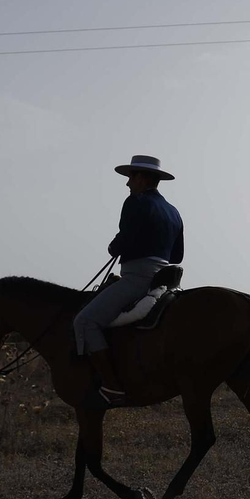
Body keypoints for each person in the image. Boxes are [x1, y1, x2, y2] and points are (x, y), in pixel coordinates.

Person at [72, 155, 184, 406]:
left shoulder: (135, 201)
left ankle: (112, 386)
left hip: (138, 277)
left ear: (142, 178)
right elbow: (177, 255)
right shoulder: (174, 212)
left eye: (131, 177)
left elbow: (123, 239)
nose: (127, 183)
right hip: (164, 279)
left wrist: (114, 247)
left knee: (85, 321)